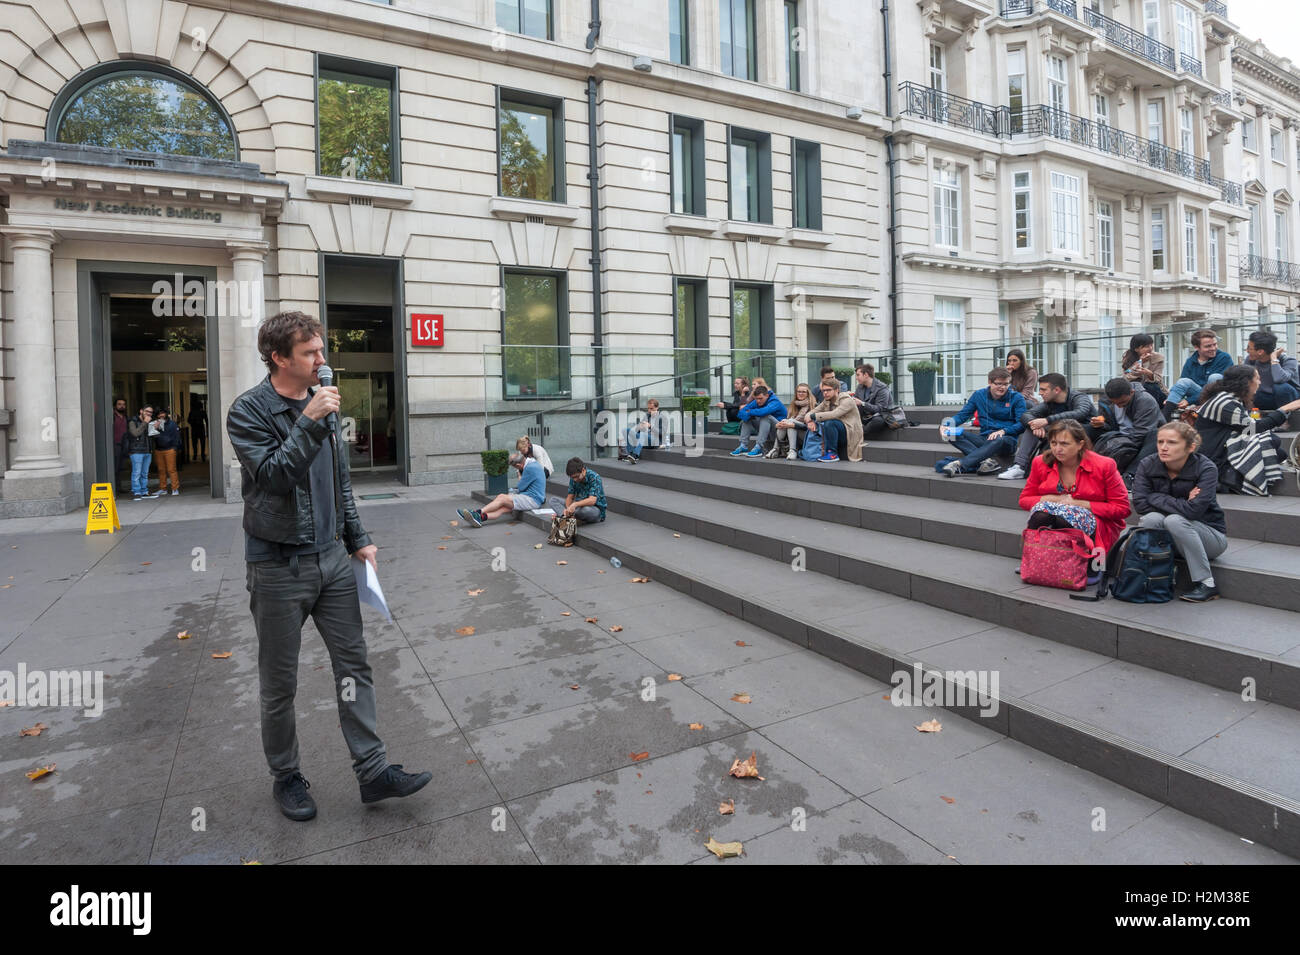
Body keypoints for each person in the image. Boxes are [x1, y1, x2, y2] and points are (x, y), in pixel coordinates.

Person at [226, 310, 431, 822]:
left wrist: (357, 539)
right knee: (280, 684)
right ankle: (287, 777)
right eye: (311, 353)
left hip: (333, 560)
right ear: (279, 358)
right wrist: (310, 419)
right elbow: (274, 476)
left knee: (354, 666)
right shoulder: (248, 410)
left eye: (322, 349)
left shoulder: (326, 403)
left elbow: (340, 481)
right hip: (277, 566)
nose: (323, 361)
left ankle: (373, 770)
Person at [1132, 421, 1228, 602]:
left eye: (1172, 442)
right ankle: (1148, 578)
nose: (1164, 447)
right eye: (1160, 442)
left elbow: (1193, 511)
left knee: (1174, 520)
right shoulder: (1148, 464)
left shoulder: (1206, 468)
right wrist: (1181, 501)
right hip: (1172, 540)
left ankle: (1207, 584)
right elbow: (1140, 505)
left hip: (1209, 538)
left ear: (1190, 447)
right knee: (1151, 519)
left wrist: (1154, 496)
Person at [1018, 419, 1131, 557]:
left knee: (1066, 516)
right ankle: (1033, 558)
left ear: (1080, 444)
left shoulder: (1104, 465)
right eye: (1054, 443)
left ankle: (1085, 563)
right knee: (1041, 513)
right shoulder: (1040, 462)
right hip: (1055, 517)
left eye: (1064, 444)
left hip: (1098, 523)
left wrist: (1079, 504)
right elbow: (1024, 500)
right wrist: (1051, 498)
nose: (1057, 449)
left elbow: (1122, 509)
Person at [1194, 364, 1300, 496]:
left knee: (1279, 452)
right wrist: (1285, 409)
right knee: (1272, 441)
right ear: (1247, 382)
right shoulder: (1224, 401)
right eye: (1257, 379)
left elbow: (1248, 427)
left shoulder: (1229, 398)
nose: (1260, 383)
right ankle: (1230, 478)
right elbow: (1253, 428)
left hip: (1222, 446)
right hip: (1214, 455)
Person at [997, 373, 1093, 481]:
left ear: (1056, 390)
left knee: (1056, 430)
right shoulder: (1049, 402)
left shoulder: (1079, 397)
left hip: (1085, 433)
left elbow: (1080, 412)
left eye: (1043, 390)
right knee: (1032, 427)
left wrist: (1047, 420)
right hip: (1059, 433)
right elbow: (1027, 415)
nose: (1040, 393)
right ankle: (1019, 467)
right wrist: (1035, 425)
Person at [940, 367, 1026, 477]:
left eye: (1006, 384)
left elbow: (1022, 424)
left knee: (999, 439)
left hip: (1006, 441)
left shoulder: (1017, 398)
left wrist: (1004, 431)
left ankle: (960, 464)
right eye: (999, 384)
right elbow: (963, 415)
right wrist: (945, 425)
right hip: (985, 438)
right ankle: (986, 461)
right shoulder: (979, 395)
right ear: (990, 382)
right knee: (950, 433)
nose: (1003, 387)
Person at [1086, 378, 1163, 476]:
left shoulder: (1145, 401)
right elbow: (1109, 425)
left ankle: (1130, 474)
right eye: (1115, 403)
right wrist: (1101, 424)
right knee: (1087, 430)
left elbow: (1141, 434)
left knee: (1156, 436)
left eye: (1123, 403)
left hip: (1141, 439)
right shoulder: (1106, 401)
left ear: (1132, 392)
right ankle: (1086, 464)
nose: (1119, 406)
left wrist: (1119, 448)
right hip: (1118, 436)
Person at [458, 451, 545, 527]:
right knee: (502, 507)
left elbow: (521, 487)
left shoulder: (530, 468)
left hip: (532, 499)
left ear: (519, 465)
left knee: (502, 497)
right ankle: (481, 518)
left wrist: (519, 476)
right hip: (533, 498)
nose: (517, 469)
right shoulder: (533, 464)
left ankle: (476, 513)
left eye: (516, 468)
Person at [1164, 329, 1231, 416]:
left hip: (1218, 397)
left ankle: (1209, 411)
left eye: (1215, 344)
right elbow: (1182, 386)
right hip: (1198, 396)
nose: (1213, 348)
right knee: (1183, 381)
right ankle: (1165, 416)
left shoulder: (1224, 358)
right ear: (1196, 347)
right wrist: (1172, 399)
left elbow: (1214, 389)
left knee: (1215, 378)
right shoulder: (1190, 361)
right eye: (1208, 346)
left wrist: (1189, 401)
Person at [807, 377, 864, 462]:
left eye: (828, 390)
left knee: (830, 422)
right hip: (836, 432)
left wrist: (813, 416)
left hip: (850, 433)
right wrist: (810, 421)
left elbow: (834, 414)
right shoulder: (827, 401)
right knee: (827, 423)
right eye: (823, 391)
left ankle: (832, 454)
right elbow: (811, 412)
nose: (825, 393)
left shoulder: (847, 400)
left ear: (837, 390)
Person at [1242, 329, 1300, 411]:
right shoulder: (1250, 360)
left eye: (1249, 348)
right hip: (1265, 398)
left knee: (1281, 387)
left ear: (1260, 352)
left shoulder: (1289, 361)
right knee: (1243, 385)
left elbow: (1279, 379)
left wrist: (1274, 359)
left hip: (1289, 400)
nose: (1247, 351)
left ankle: (1285, 417)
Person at [730, 385, 788, 457]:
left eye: (760, 398)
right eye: (756, 399)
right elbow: (741, 412)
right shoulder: (757, 401)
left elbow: (764, 412)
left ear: (767, 395)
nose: (758, 401)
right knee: (747, 418)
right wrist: (748, 413)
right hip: (766, 430)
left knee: (766, 416)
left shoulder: (775, 401)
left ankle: (759, 447)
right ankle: (743, 446)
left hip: (779, 432)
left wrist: (750, 411)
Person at [548, 457, 606, 523]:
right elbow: (570, 497)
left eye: (577, 476)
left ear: (583, 470)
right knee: (553, 500)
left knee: (585, 510)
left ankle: (565, 517)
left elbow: (592, 500)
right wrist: (567, 509)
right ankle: (567, 517)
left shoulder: (594, 477)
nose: (575, 479)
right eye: (573, 477)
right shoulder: (573, 478)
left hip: (593, 509)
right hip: (578, 507)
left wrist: (575, 505)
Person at [852, 363, 899, 440]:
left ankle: (859, 434)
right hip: (865, 416)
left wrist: (862, 403)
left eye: (858, 375)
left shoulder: (881, 388)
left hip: (880, 415)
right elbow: (856, 402)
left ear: (866, 375)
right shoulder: (860, 387)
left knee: (878, 420)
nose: (856, 378)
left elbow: (880, 409)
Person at [620, 398, 670, 463]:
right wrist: (639, 427)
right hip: (644, 439)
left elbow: (662, 433)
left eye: (651, 409)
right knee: (625, 430)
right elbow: (636, 430)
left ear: (657, 407)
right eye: (648, 408)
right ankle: (630, 455)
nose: (649, 410)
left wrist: (650, 426)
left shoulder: (663, 418)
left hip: (655, 442)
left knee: (643, 434)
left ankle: (635, 455)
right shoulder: (647, 415)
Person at [125, 404, 159, 500]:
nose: (149, 414)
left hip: (147, 450)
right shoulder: (132, 421)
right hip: (136, 451)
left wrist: (155, 428)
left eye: (151, 412)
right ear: (141, 411)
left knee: (145, 473)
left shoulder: (149, 422)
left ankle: (144, 491)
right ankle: (136, 492)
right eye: (147, 411)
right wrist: (145, 423)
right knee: (137, 473)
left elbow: (154, 436)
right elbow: (135, 433)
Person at [1122, 333, 1167, 404]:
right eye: (1146, 346)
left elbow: (1158, 379)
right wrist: (1140, 362)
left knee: (1150, 386)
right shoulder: (1129, 358)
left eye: (1151, 345)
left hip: (1155, 390)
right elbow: (1126, 375)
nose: (1150, 348)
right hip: (1135, 389)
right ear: (1136, 349)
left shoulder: (1158, 358)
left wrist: (1149, 373)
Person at [774, 382, 814, 459]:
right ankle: (775, 449)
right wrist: (778, 425)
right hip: (793, 435)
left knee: (790, 423)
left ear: (808, 394)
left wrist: (792, 423)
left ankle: (792, 450)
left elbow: (810, 427)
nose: (801, 393)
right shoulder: (793, 405)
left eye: (803, 392)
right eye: (799, 391)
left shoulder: (813, 405)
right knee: (787, 423)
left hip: (808, 436)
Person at [152, 408, 182, 495]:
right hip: (158, 450)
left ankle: (175, 488)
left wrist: (175, 448)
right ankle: (163, 489)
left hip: (170, 449)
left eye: (163, 413)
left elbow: (177, 437)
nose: (161, 415)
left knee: (171, 470)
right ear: (157, 416)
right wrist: (155, 428)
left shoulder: (172, 424)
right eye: (159, 414)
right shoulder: (154, 424)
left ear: (166, 414)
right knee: (161, 470)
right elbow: (152, 437)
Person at [112, 398, 129, 494]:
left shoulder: (126, 417)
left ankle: (119, 487)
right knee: (115, 467)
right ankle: (114, 488)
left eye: (123, 404)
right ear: (115, 406)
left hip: (124, 445)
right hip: (115, 444)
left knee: (120, 467)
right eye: (119, 404)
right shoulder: (112, 416)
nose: (122, 406)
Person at [187, 397, 208, 462]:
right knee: (202, 443)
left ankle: (195, 456)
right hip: (201, 428)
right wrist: (207, 428)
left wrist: (192, 423)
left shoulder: (192, 412)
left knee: (194, 443)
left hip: (194, 429)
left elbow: (188, 420)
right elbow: (206, 420)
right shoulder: (203, 412)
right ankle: (202, 456)